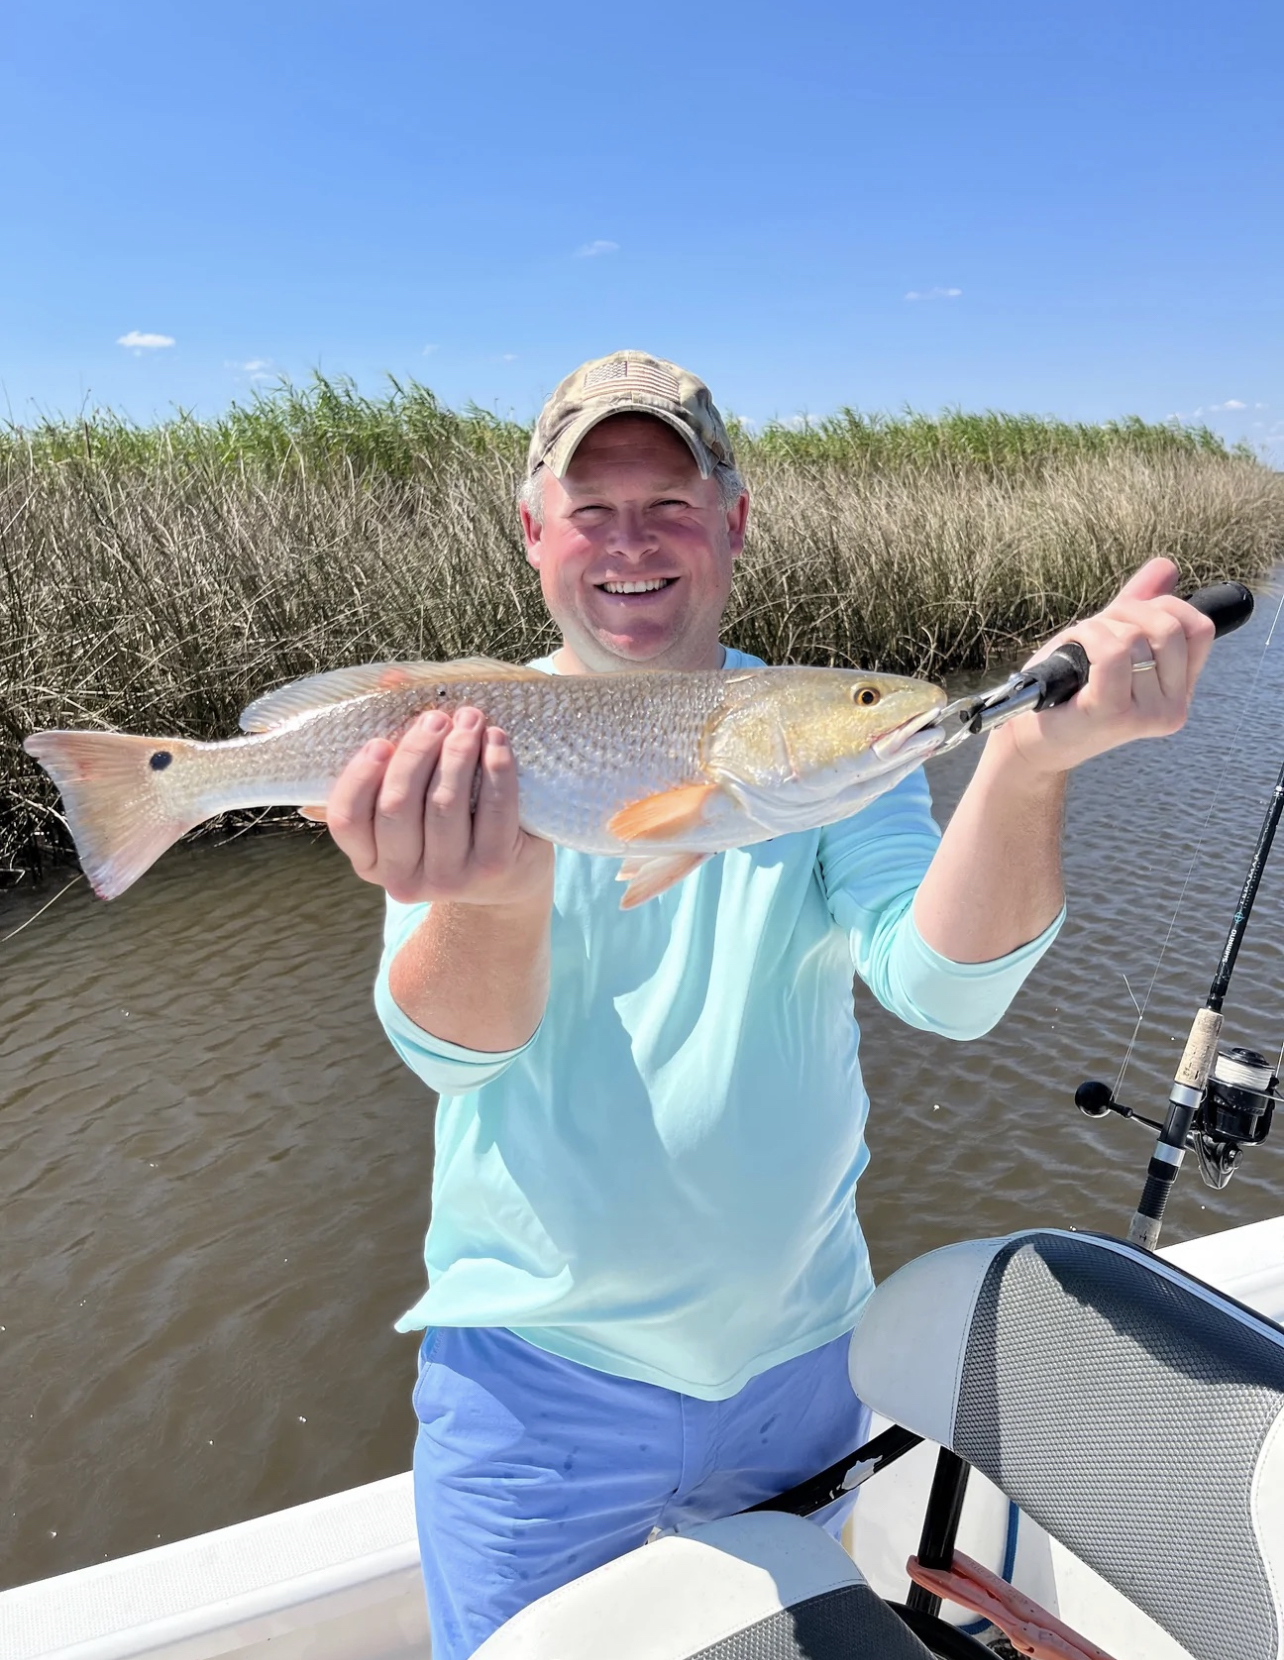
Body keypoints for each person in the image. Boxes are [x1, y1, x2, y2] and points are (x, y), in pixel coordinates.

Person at [322, 351, 1214, 1659]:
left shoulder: (826, 758)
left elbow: (942, 990)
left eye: (670, 504)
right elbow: (452, 1056)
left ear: (734, 522)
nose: (631, 544)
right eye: (591, 508)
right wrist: (496, 900)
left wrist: (1028, 763)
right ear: (533, 533)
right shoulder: (476, 743)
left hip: (800, 1372)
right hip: (533, 1394)